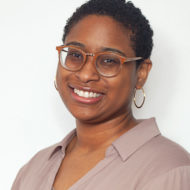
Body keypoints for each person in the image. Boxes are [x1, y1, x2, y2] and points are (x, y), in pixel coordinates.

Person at [11, 0, 190, 189]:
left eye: (108, 61)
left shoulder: (169, 170)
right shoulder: (33, 168)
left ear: (141, 73)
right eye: (76, 55)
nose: (86, 74)